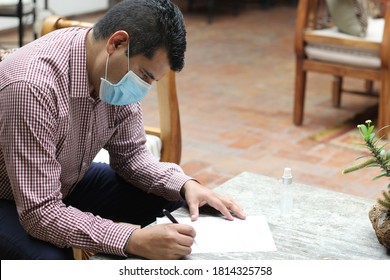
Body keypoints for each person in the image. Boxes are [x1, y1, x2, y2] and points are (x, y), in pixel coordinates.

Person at [0, 0, 245, 260]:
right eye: (144, 75)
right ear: (117, 43)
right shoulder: (31, 87)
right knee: (53, 264)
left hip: (63, 180)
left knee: (175, 206)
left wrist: (186, 185)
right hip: (12, 197)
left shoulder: (109, 71)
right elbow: (40, 212)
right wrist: (130, 239)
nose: (143, 88)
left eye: (152, 80)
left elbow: (132, 156)